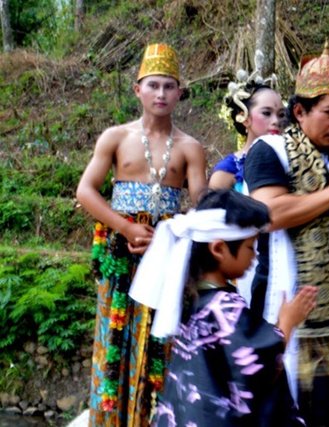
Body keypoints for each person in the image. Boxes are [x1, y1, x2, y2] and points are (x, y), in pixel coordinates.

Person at [244, 45, 329, 426]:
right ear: (300, 111)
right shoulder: (269, 151)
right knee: (282, 398)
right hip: (284, 295)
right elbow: (271, 213)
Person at [76, 43, 207, 426]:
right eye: (154, 85)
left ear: (180, 92)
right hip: (119, 251)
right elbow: (86, 191)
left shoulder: (190, 148)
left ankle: (151, 418)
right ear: (138, 90)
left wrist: (174, 229)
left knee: (159, 337)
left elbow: (199, 202)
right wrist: (126, 226)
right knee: (113, 333)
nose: (161, 94)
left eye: (169, 86)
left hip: (165, 255)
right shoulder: (116, 137)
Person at [127, 189, 318, 426]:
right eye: (250, 247)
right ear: (218, 249)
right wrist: (287, 322)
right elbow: (260, 363)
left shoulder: (188, 296)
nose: (255, 256)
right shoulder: (224, 306)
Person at [209, 72, 285, 192]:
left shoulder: (292, 157)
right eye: (266, 113)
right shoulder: (226, 171)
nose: (276, 121)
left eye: (281, 115)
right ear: (244, 117)